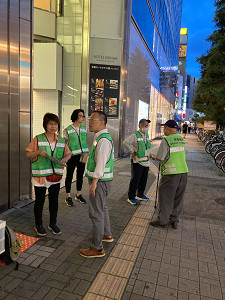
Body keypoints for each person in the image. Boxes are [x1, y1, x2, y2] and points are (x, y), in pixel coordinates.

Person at [26, 113, 71, 236]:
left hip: (55, 176)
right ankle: (38, 225)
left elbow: (68, 153)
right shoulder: (38, 138)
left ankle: (52, 223)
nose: (53, 126)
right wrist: (38, 152)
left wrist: (65, 159)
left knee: (54, 201)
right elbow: (28, 154)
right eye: (50, 123)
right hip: (40, 176)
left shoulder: (62, 141)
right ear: (45, 125)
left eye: (55, 124)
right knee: (39, 201)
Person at [79, 111, 114, 258]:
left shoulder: (103, 140)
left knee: (96, 213)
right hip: (102, 181)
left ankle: (97, 248)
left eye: (92, 120)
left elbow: (100, 164)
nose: (89, 122)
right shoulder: (100, 137)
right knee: (102, 209)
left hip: (99, 182)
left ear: (102, 123)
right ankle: (105, 234)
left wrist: (93, 183)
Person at [149, 120, 188, 229]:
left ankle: (162, 221)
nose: (163, 130)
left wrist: (153, 156)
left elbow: (161, 158)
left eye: (163, 128)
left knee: (166, 197)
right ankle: (174, 219)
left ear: (167, 128)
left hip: (171, 174)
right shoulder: (181, 138)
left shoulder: (166, 140)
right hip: (183, 172)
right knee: (178, 198)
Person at [63, 109, 89, 206]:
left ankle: (79, 194)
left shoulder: (83, 129)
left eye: (83, 116)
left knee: (80, 175)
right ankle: (68, 196)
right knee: (69, 175)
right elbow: (65, 144)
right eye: (80, 116)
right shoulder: (67, 130)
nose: (82, 118)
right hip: (72, 156)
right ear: (75, 117)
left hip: (83, 155)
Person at [123, 119, 151, 205]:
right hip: (137, 161)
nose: (146, 127)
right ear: (140, 126)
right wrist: (132, 151)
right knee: (135, 179)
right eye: (145, 125)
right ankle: (131, 197)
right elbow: (125, 142)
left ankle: (140, 194)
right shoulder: (135, 135)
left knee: (144, 179)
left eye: (147, 125)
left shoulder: (146, 135)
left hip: (146, 161)